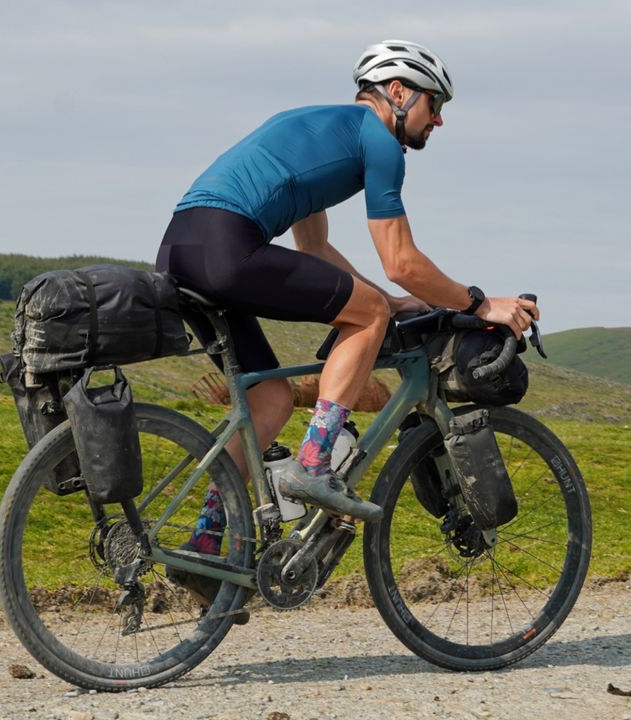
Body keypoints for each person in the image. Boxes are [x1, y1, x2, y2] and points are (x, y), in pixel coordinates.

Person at [156, 40, 539, 562]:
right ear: (398, 93)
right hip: (227, 244)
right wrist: (478, 303)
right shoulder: (377, 142)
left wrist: (391, 300)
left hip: (181, 247)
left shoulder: (316, 128)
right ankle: (314, 463)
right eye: (436, 104)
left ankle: (202, 543)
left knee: (269, 400)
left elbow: (313, 248)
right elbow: (401, 260)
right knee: (370, 317)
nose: (439, 120)